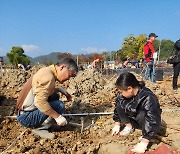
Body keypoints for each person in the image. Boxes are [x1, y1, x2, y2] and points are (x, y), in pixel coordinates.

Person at [16, 57, 78, 139]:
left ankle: (47, 124)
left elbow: (44, 91)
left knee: (55, 96)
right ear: (62, 67)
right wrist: (57, 117)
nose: (68, 78)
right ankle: (40, 128)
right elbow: (39, 102)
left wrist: (59, 90)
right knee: (59, 105)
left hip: (24, 113)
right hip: (26, 117)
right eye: (69, 75)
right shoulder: (48, 77)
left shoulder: (47, 71)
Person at [112, 72, 161, 153]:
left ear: (129, 89)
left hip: (145, 122)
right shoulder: (125, 95)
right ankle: (129, 127)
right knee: (119, 103)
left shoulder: (147, 97)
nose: (120, 94)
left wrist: (144, 141)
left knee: (144, 114)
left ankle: (146, 134)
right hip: (133, 118)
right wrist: (117, 123)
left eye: (121, 92)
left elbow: (152, 118)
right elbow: (118, 107)